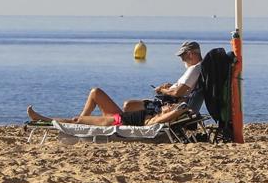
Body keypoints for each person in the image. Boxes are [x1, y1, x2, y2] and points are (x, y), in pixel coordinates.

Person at [26, 40, 203, 127]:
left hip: (119, 122)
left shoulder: (194, 69)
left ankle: (49, 120)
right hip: (122, 119)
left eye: (183, 56)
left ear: (191, 54)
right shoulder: (193, 70)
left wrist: (168, 96)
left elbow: (177, 97)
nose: (181, 60)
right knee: (95, 92)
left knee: (77, 119)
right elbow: (179, 95)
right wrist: (169, 93)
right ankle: (78, 123)